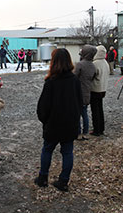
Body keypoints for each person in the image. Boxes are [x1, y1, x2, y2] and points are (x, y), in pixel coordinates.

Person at [34, 48, 82, 192]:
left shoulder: (50, 82)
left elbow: (43, 107)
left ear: (53, 62)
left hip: (53, 124)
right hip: (70, 123)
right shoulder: (75, 81)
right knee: (67, 152)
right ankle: (64, 180)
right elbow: (80, 103)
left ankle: (43, 178)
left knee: (47, 149)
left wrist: (45, 121)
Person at [74, 45, 97, 140]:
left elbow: (74, 77)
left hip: (78, 92)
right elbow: (93, 77)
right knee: (85, 114)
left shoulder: (80, 64)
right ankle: (85, 133)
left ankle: (78, 133)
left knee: (77, 114)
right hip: (87, 92)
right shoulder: (93, 65)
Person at [90, 45, 110, 136]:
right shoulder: (105, 62)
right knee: (100, 109)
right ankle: (101, 128)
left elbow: (91, 76)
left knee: (95, 111)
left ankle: (96, 130)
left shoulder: (95, 63)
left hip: (95, 89)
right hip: (103, 89)